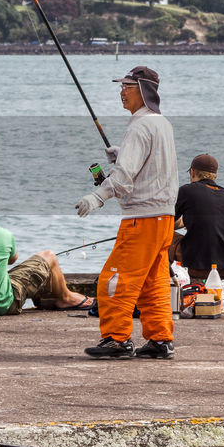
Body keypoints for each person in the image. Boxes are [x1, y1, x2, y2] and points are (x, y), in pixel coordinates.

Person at [75, 66, 177, 360]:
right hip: (164, 217)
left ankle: (117, 338)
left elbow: (123, 179)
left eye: (128, 86)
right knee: (152, 282)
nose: (122, 92)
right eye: (121, 86)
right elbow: (152, 166)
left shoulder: (139, 126)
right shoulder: (162, 124)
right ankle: (160, 339)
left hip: (142, 218)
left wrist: (97, 197)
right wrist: (122, 154)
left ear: (144, 90)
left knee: (114, 278)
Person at [170, 153, 224, 281]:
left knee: (160, 235)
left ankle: (160, 285)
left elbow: (167, 222)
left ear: (192, 172)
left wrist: (189, 223)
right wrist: (192, 222)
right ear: (215, 176)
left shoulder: (186, 191)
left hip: (200, 268)